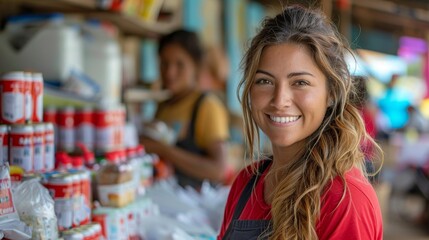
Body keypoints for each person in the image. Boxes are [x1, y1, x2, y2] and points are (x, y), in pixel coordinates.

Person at [218, 5, 383, 240]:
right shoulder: (246, 183)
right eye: (265, 81)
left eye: (300, 83)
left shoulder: (345, 201)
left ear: (332, 93)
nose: (279, 100)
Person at [140, 29, 230, 190]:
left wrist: (163, 149)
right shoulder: (164, 105)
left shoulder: (206, 106)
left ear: (195, 66)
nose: (169, 72)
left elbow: (218, 170)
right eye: (164, 63)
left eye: (179, 64)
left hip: (197, 205)